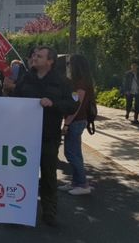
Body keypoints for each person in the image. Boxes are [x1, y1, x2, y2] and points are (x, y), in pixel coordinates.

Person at [10, 46, 77, 226]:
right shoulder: (25, 79)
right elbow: (14, 103)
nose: (34, 58)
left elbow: (72, 106)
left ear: (50, 61)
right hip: (24, 137)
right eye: (34, 56)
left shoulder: (62, 82)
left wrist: (53, 103)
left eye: (39, 56)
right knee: (22, 174)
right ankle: (18, 209)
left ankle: (49, 212)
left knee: (48, 175)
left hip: (49, 136)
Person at [59, 54, 94, 196]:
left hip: (76, 121)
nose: (68, 67)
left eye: (70, 64)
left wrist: (66, 123)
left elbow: (76, 106)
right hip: (78, 120)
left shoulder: (80, 83)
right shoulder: (82, 81)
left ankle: (83, 184)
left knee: (71, 153)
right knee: (75, 152)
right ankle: (76, 182)